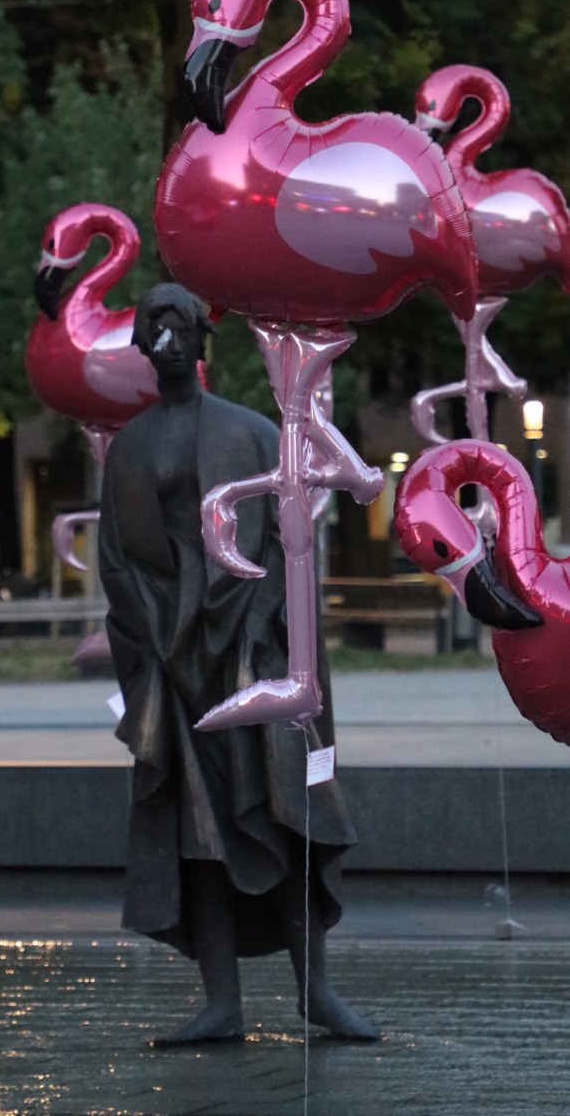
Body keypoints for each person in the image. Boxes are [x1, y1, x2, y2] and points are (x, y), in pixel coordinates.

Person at [98, 283, 377, 1046]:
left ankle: (315, 989)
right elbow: (118, 562)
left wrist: (254, 627)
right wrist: (159, 635)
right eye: (153, 329)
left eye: (180, 328)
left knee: (285, 814)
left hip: (252, 658)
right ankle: (220, 1001)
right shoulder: (128, 449)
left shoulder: (251, 433)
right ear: (139, 345)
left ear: (202, 342)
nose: (167, 342)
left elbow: (286, 545)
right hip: (174, 662)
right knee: (198, 831)